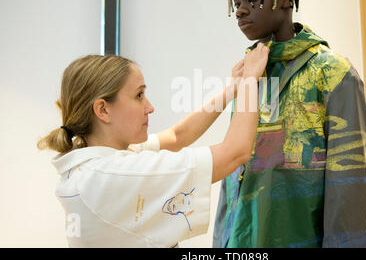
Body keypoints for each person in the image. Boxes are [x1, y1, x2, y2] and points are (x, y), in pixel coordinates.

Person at [213, 0, 366, 248]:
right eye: (237, 3)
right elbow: (233, 178)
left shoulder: (332, 73)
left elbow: (351, 186)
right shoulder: (250, 72)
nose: (240, 10)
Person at [37, 44, 269, 248]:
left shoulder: (92, 164)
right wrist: (250, 80)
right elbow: (235, 151)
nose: (150, 107)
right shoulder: (115, 174)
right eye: (139, 95)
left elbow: (178, 136)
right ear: (103, 110)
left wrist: (232, 90)